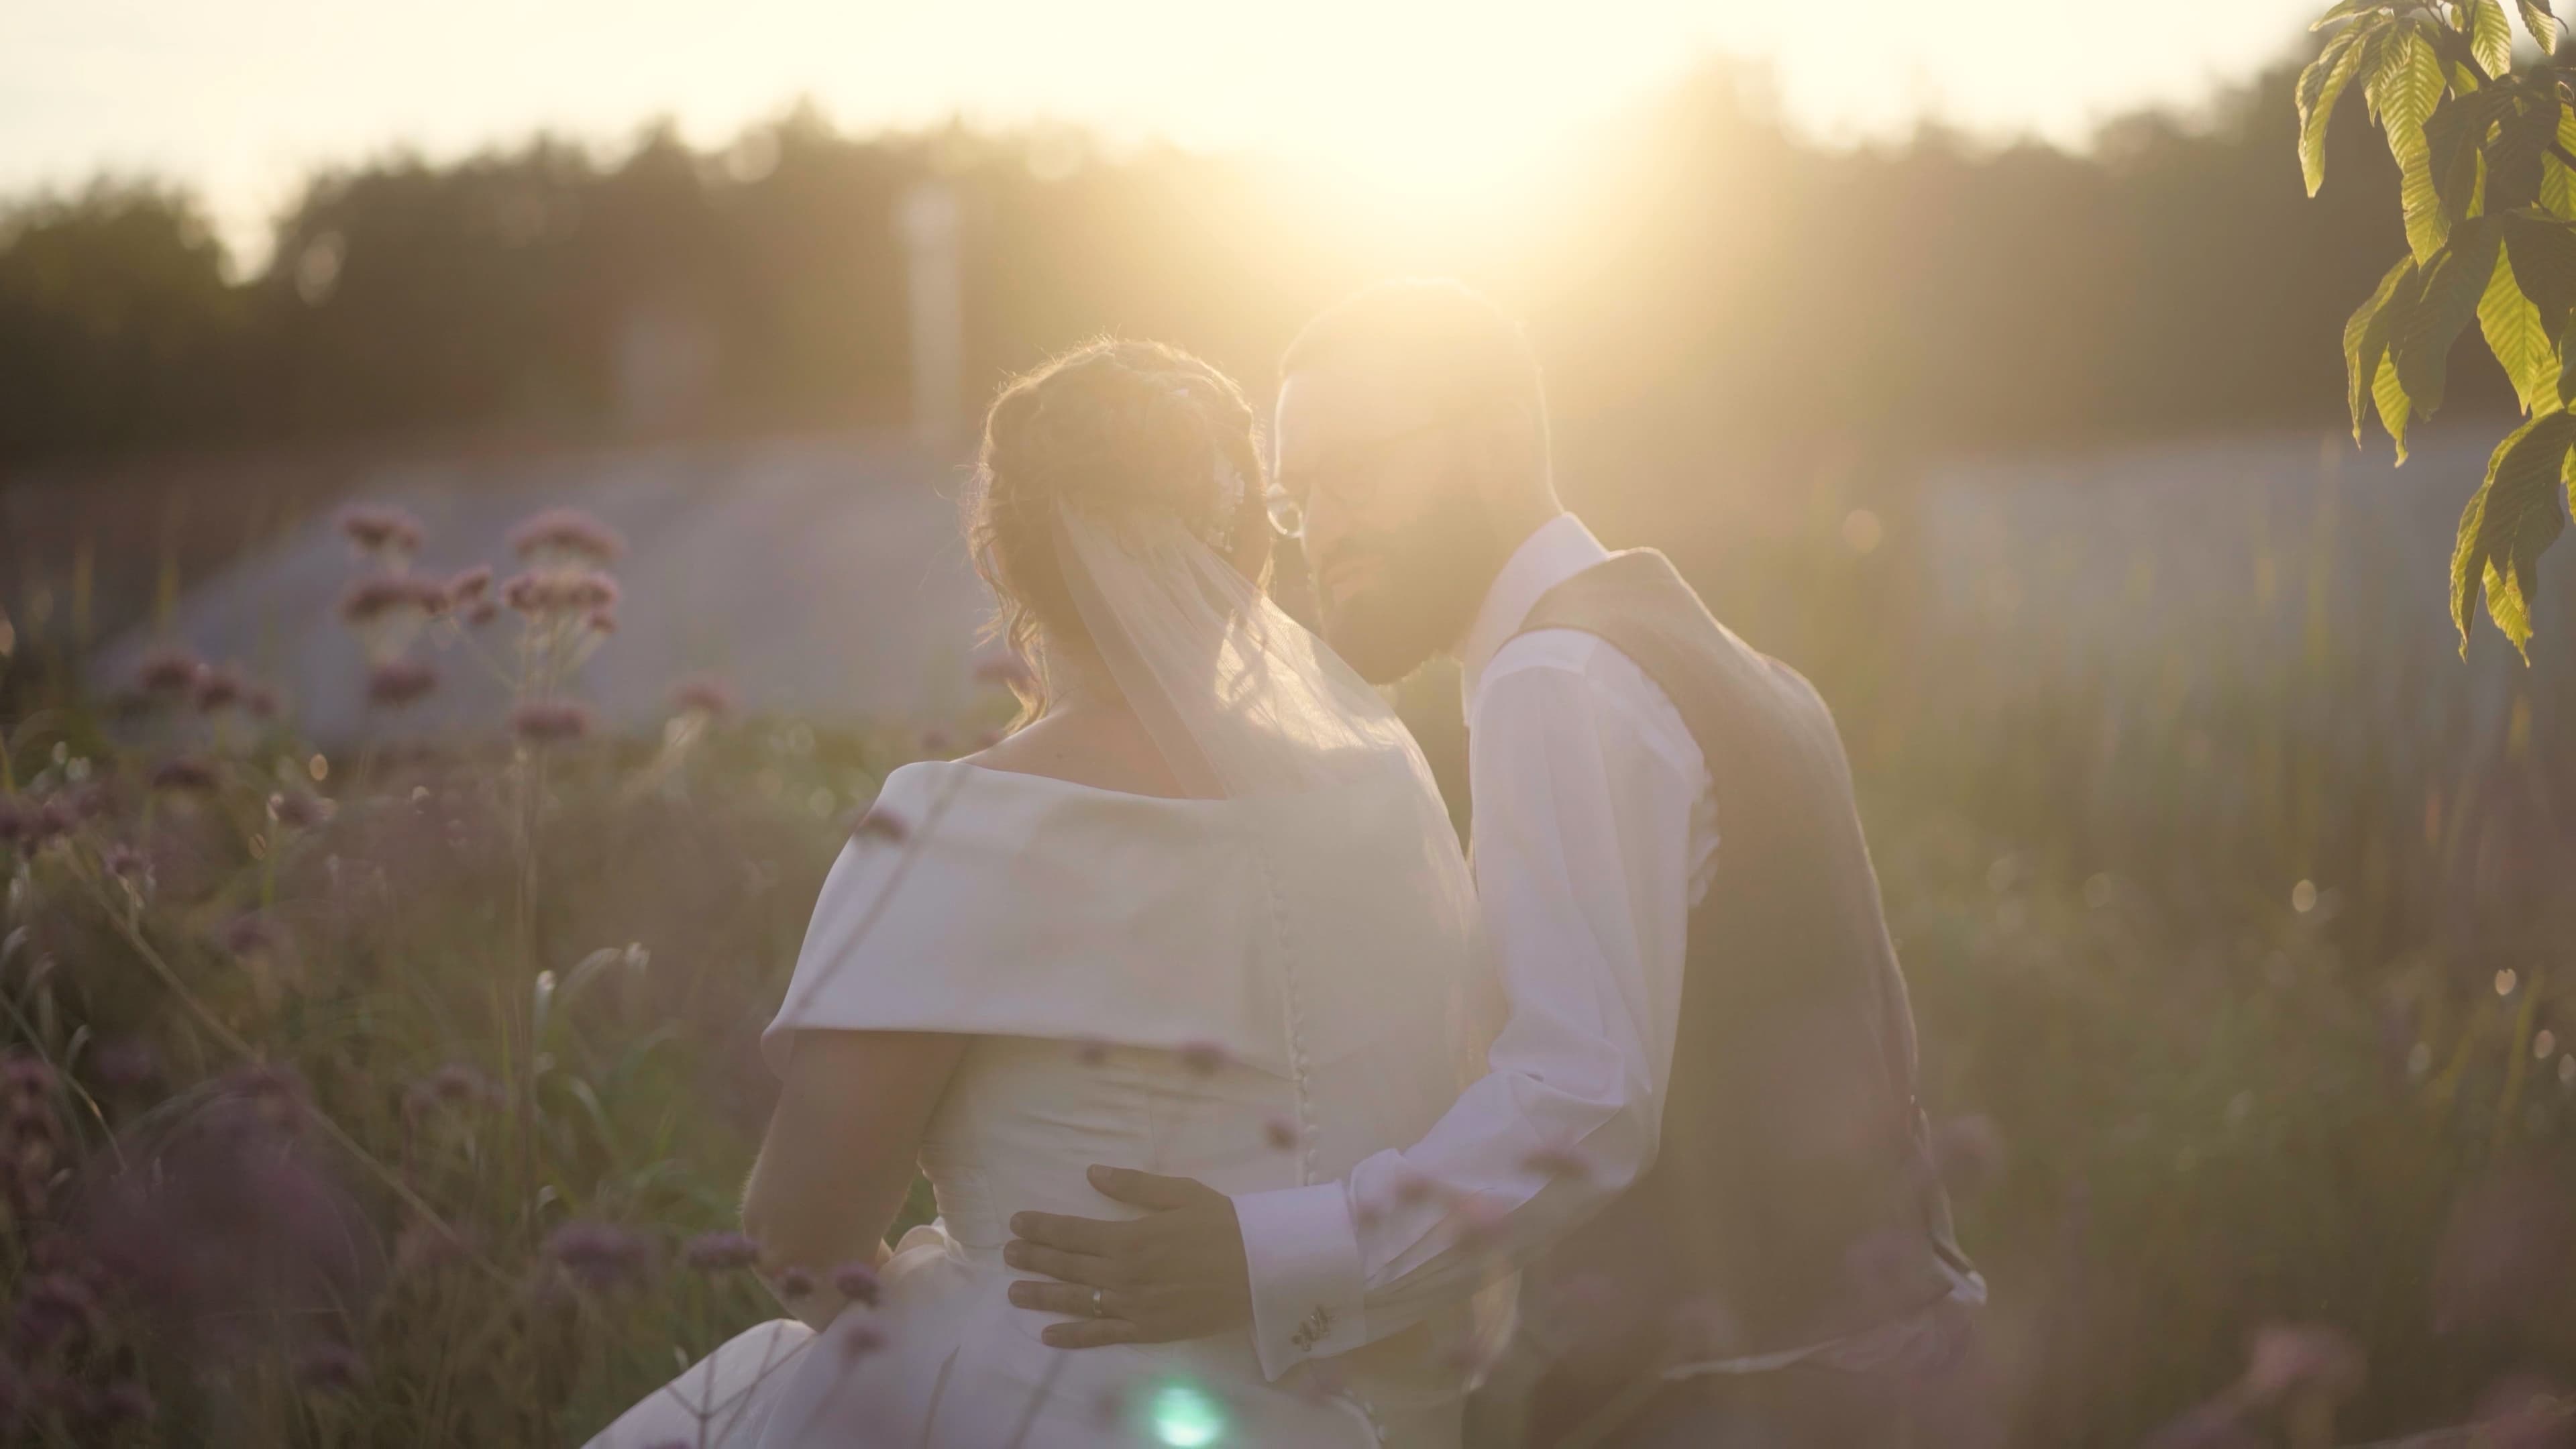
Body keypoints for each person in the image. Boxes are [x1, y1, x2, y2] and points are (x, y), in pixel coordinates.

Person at [1003, 281, 1985, 1447]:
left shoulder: (1555, 679)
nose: (1324, 526)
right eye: (1296, 491)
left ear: (1501, 441)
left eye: (1357, 468)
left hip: (1748, 1400)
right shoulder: (1714, 653)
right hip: (1892, 1359)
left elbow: (1581, 1095)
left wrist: (1272, 1256)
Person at [580, 339, 1495, 1448]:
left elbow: (802, 1228)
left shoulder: (962, 830)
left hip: (1027, 1403)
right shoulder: (1372, 798)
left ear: (1005, 559)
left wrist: (945, 1346)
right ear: (1252, 546)